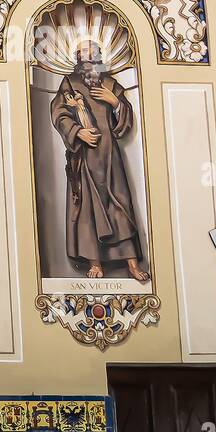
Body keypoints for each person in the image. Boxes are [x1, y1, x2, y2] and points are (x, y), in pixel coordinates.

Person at [50, 40, 150, 281]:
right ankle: (95, 264)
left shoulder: (110, 85)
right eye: (81, 52)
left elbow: (125, 116)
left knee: (120, 205)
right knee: (88, 208)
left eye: (88, 51)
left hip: (110, 156)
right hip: (84, 156)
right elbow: (59, 112)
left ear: (97, 56)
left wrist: (115, 102)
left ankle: (132, 264)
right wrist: (77, 131)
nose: (84, 55)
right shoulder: (69, 83)